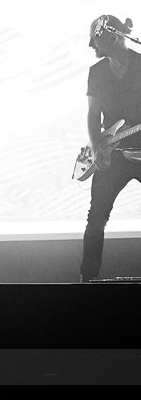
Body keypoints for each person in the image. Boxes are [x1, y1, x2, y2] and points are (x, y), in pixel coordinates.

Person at [81, 14, 141, 282]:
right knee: (96, 218)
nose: (91, 45)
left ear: (113, 36)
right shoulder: (97, 72)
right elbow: (93, 115)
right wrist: (97, 148)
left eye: (94, 40)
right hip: (112, 155)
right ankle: (86, 280)